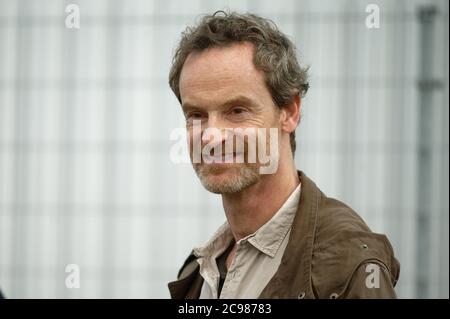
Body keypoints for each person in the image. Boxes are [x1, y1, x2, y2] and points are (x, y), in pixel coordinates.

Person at [167, 11, 400, 299]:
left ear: (289, 112)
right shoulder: (200, 270)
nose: (211, 136)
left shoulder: (349, 268)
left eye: (237, 111)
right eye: (196, 115)